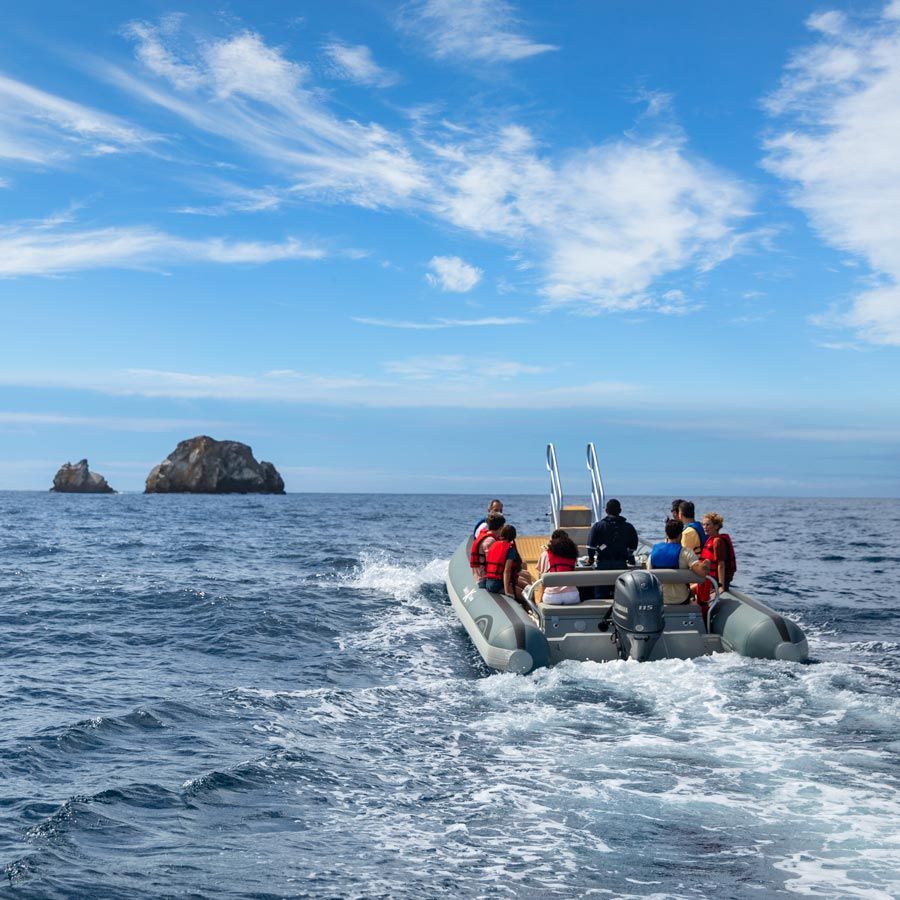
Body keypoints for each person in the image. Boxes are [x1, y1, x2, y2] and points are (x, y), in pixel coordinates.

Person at [586, 499, 639, 599]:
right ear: (620, 510)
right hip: (621, 564)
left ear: (606, 510)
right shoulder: (629, 527)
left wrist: (591, 559)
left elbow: (591, 547)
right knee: (621, 595)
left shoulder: (598, 526)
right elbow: (633, 546)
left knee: (601, 596)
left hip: (603, 565)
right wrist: (629, 555)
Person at [648, 519, 709, 604]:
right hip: (681, 599)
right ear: (681, 535)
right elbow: (702, 572)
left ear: (666, 534)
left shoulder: (653, 553)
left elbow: (650, 575)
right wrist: (707, 563)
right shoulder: (686, 553)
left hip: (660, 598)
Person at [695, 512, 737, 614]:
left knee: (691, 590)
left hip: (716, 581)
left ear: (716, 526)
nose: (705, 527)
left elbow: (721, 565)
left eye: (708, 524)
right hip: (709, 579)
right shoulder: (710, 538)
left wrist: (721, 586)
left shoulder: (717, 541)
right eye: (703, 524)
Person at [537, 529, 580, 605]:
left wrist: (538, 601)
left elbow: (542, 578)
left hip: (552, 597)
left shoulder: (546, 554)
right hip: (572, 596)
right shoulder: (572, 554)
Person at [483, 524, 525, 600]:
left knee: (523, 587)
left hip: (488, 582)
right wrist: (507, 591)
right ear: (513, 536)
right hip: (497, 585)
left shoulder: (494, 544)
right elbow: (506, 571)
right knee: (524, 595)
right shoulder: (510, 550)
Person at [469, 513, 505, 587]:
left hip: (478, 575)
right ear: (501, 527)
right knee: (522, 579)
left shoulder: (484, 535)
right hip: (484, 580)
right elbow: (492, 565)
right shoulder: (491, 541)